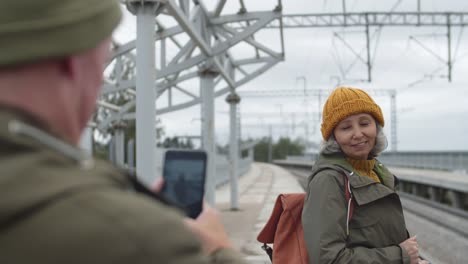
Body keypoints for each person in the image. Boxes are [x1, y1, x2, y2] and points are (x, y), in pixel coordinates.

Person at [0, 1, 246, 263]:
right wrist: (220, 250)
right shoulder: (142, 239)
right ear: (71, 63)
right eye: (101, 64)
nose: (103, 82)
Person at [302, 87, 428, 264]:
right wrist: (401, 256)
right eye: (346, 127)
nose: (358, 134)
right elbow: (328, 259)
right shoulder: (328, 180)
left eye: (364, 123)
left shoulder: (377, 171)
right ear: (333, 137)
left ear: (376, 127)